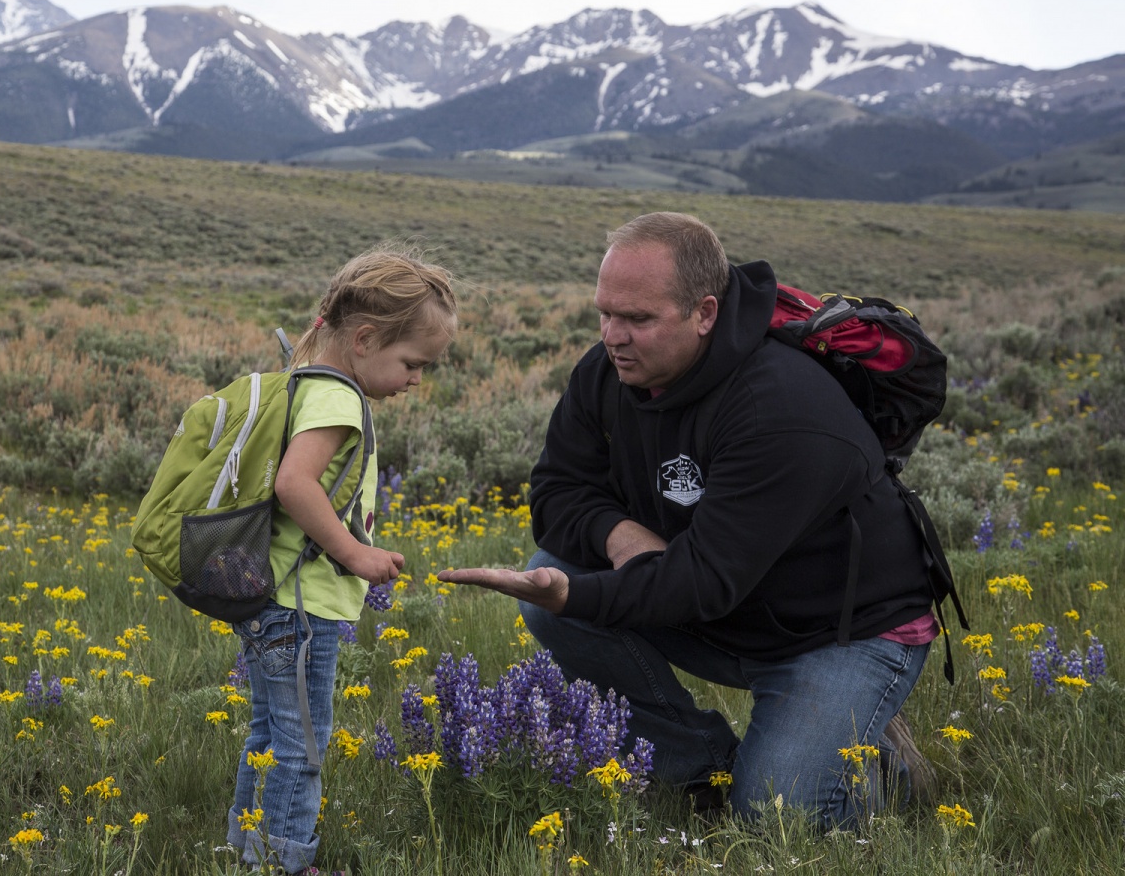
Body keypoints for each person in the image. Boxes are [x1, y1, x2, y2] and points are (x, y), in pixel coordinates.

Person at [440, 212, 940, 828]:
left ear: (704, 313)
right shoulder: (608, 371)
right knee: (549, 587)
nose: (613, 336)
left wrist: (582, 594)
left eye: (639, 319)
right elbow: (555, 493)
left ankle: (876, 764)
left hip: (840, 632)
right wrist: (620, 536)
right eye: (606, 313)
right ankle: (701, 769)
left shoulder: (778, 406)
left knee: (776, 818)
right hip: (724, 608)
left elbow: (705, 579)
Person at [227, 244, 457, 873]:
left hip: (271, 597)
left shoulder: (309, 383)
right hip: (304, 605)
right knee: (301, 743)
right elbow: (295, 484)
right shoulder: (337, 399)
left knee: (270, 736)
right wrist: (355, 553)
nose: (416, 379)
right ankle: (285, 863)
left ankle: (246, 850)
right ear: (363, 339)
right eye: (412, 363)